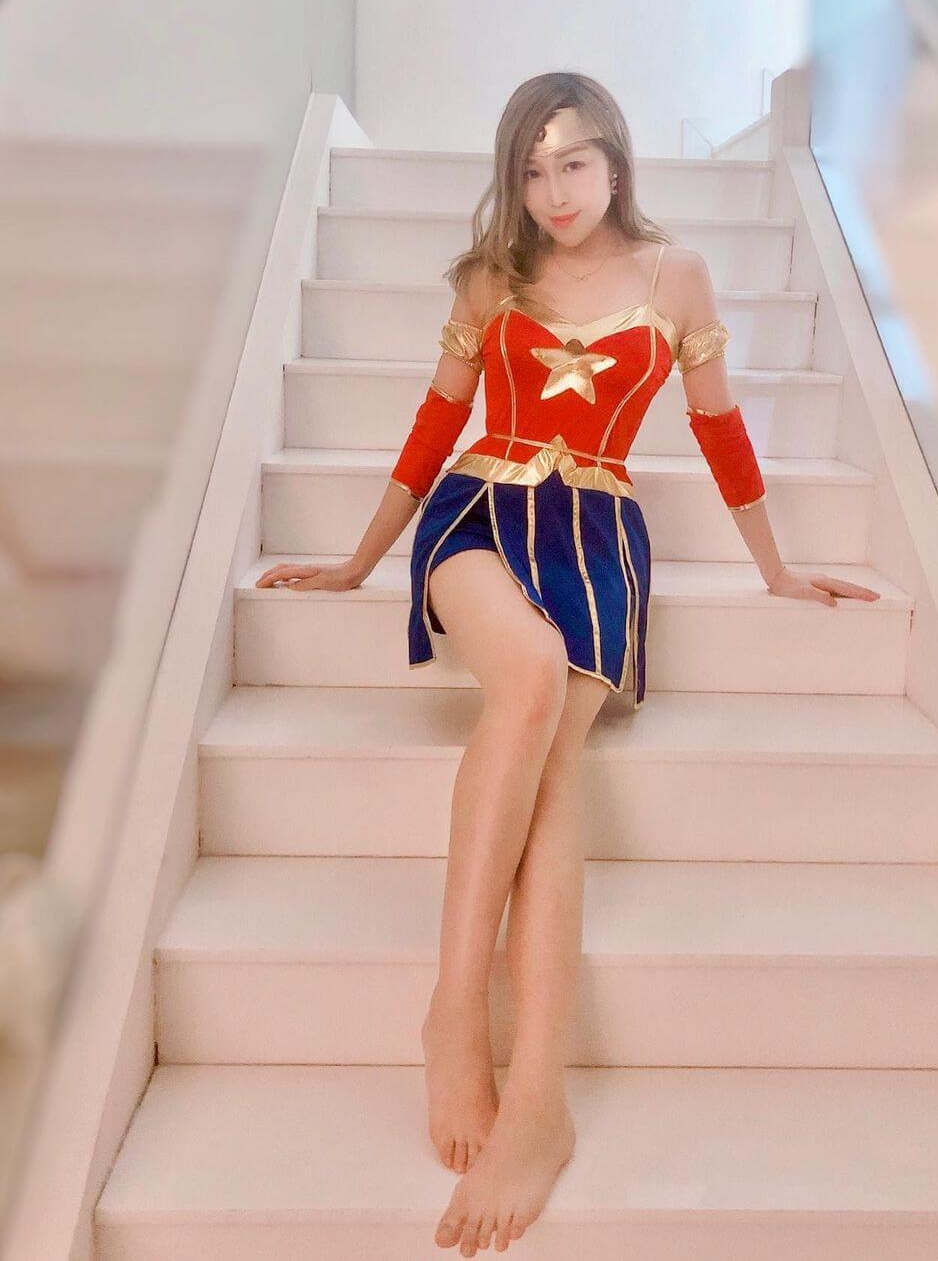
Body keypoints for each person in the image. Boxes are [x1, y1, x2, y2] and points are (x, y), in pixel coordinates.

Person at [257, 72, 880, 1257]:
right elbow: (436, 425)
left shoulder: (676, 277)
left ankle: (537, 1095)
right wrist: (355, 562)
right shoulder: (492, 276)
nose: (554, 191)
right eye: (533, 170)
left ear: (617, 163)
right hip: (477, 518)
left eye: (575, 163)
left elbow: (718, 426)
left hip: (598, 541)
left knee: (553, 769)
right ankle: (456, 1011)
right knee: (531, 676)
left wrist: (779, 572)